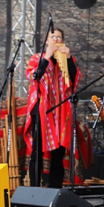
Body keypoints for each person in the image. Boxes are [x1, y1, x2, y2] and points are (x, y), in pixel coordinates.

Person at [24, 27, 82, 188]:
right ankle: (35, 188)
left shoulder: (67, 58)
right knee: (37, 151)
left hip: (61, 109)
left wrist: (69, 58)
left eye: (59, 37)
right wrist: (47, 57)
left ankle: (55, 189)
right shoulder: (37, 58)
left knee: (58, 152)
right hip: (41, 109)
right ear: (46, 41)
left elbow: (73, 79)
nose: (56, 40)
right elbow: (33, 77)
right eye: (53, 37)